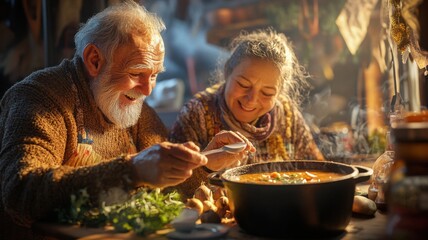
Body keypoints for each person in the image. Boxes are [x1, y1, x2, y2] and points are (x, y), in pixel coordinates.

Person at [0, 1, 253, 238]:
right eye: (137, 73)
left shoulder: (137, 111)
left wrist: (205, 164)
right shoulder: (40, 98)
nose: (147, 90)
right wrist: (132, 170)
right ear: (94, 60)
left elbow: (164, 191)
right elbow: (20, 193)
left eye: (154, 75)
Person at [169, 28, 325, 198]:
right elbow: (170, 189)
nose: (251, 100)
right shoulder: (196, 112)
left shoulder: (287, 115)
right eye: (243, 85)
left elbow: (319, 172)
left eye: (267, 93)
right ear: (227, 73)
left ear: (279, 94)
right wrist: (206, 164)